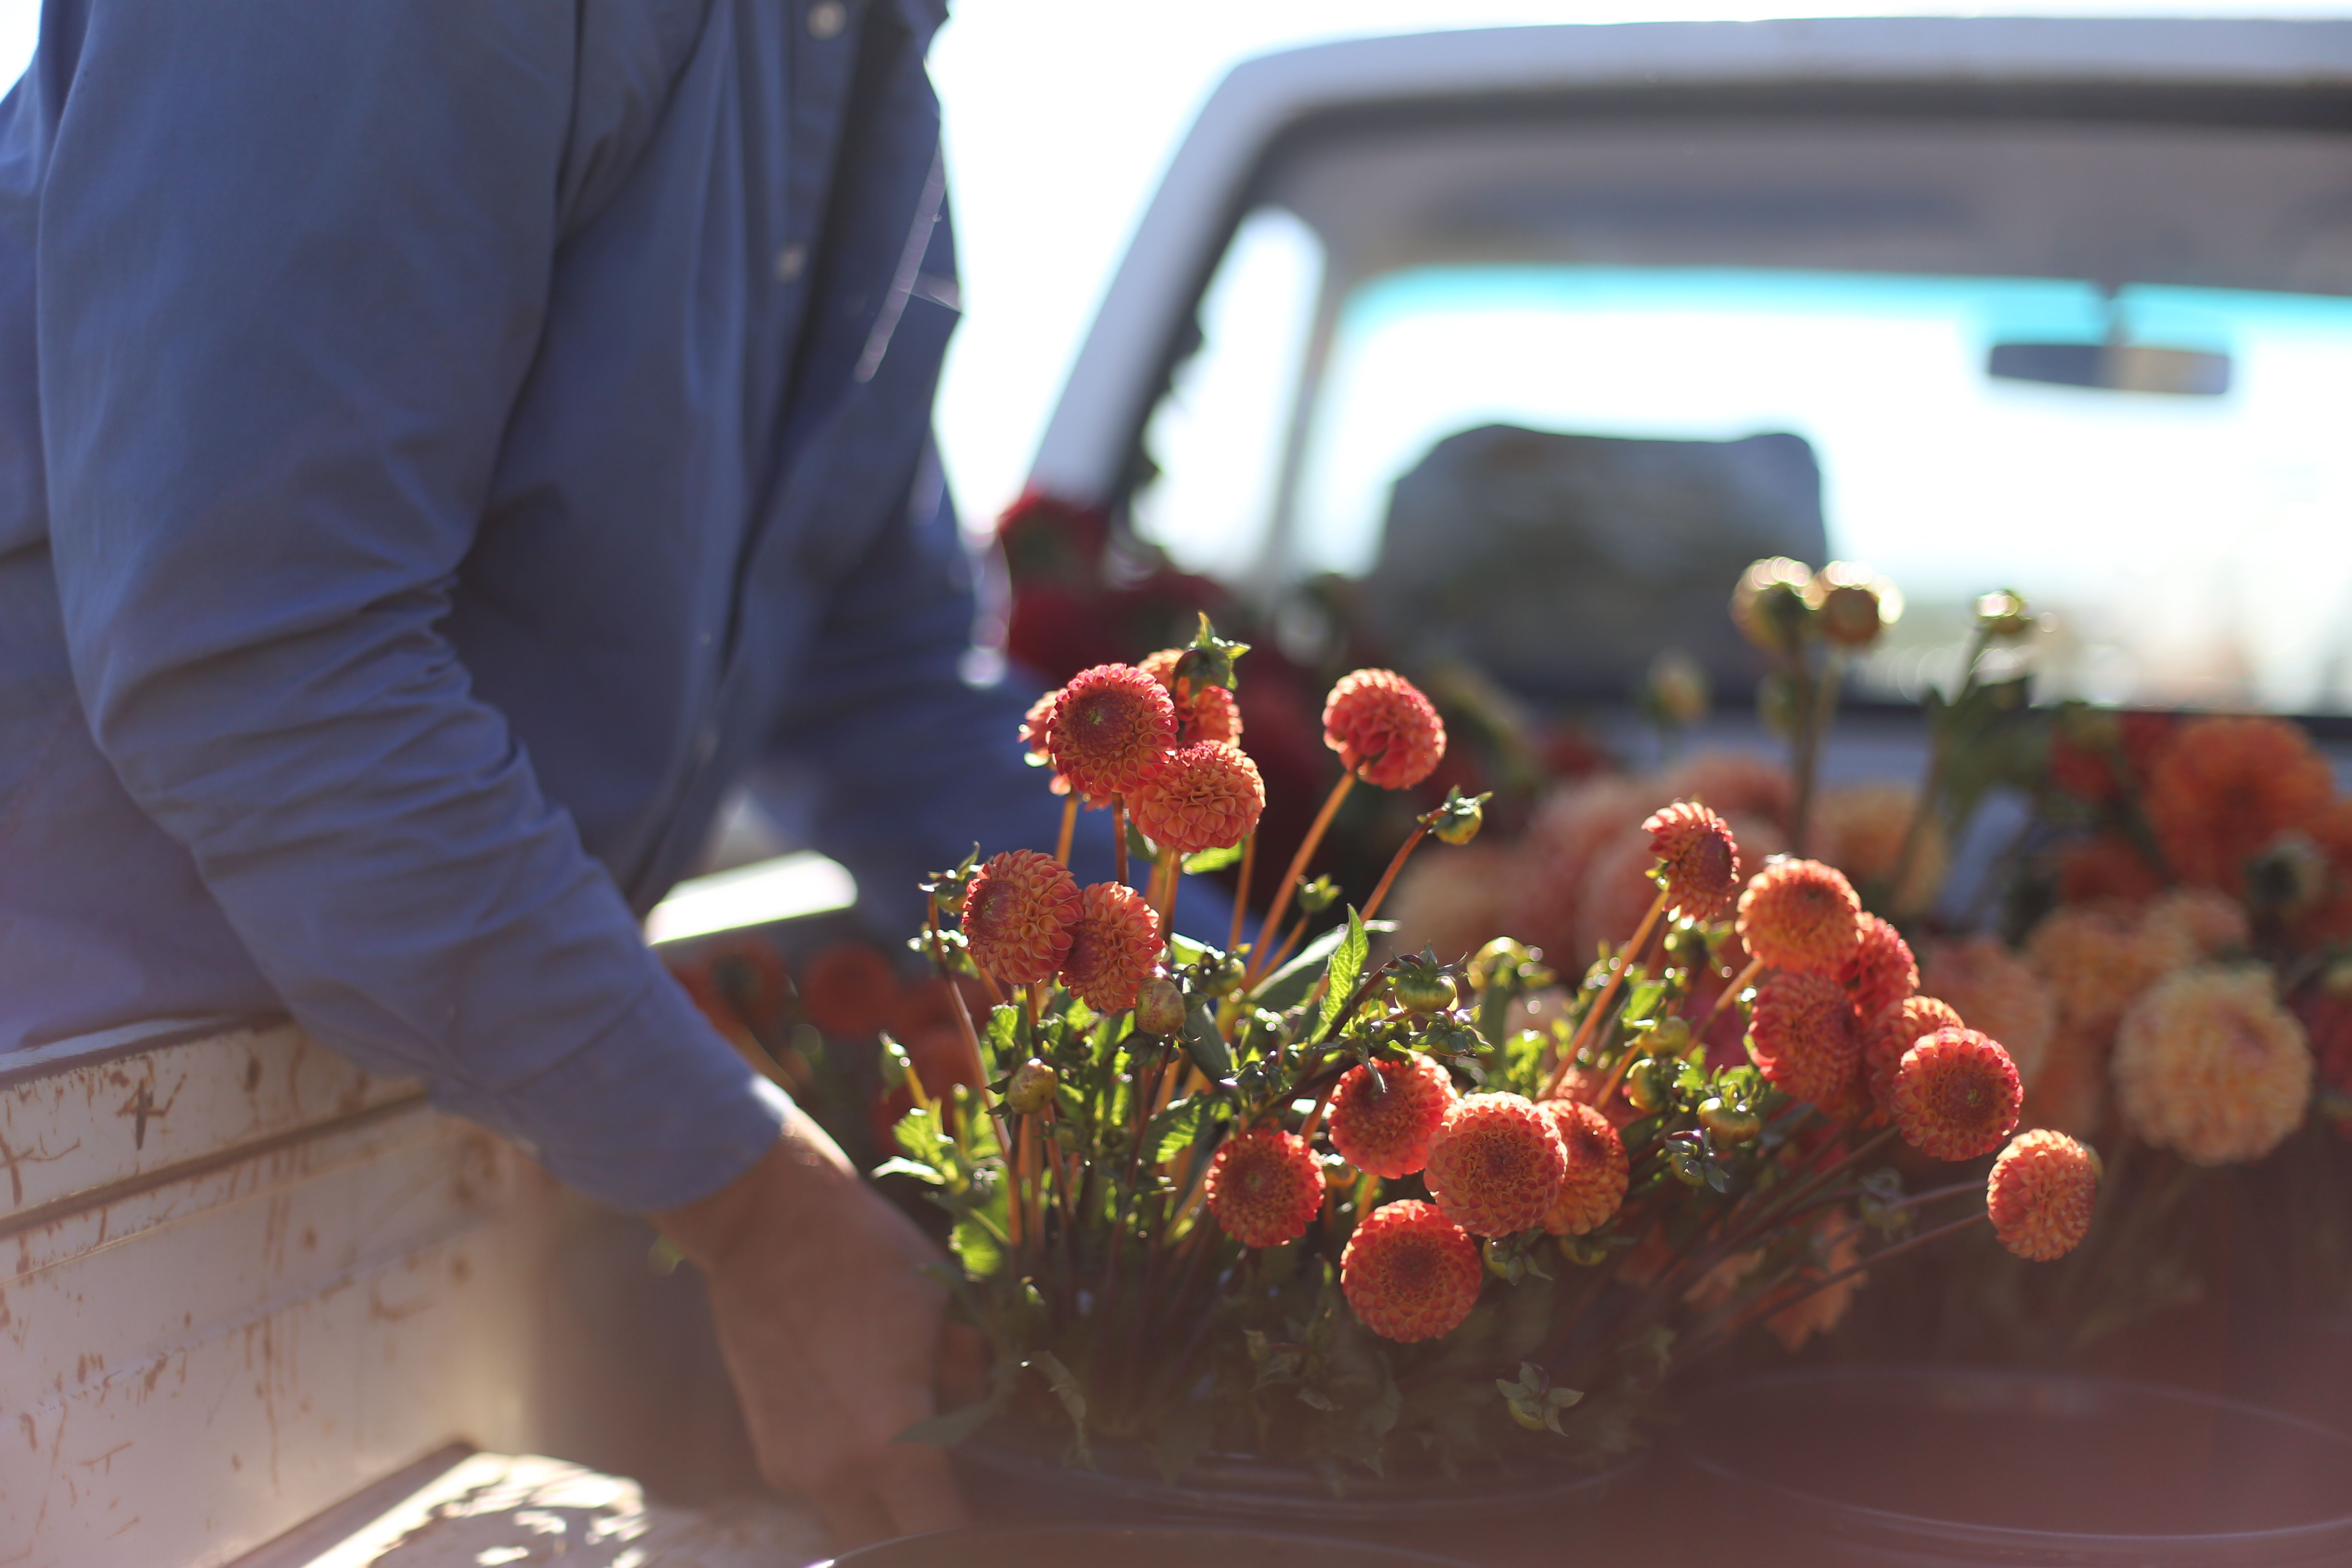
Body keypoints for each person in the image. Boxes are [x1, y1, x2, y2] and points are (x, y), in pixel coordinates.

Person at [0, 0, 1179, 1545]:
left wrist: (1264, 1035)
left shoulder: (851, 55)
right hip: (61, 1146)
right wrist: (759, 1211)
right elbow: (266, 666)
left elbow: (881, 683)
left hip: (336, 1173)